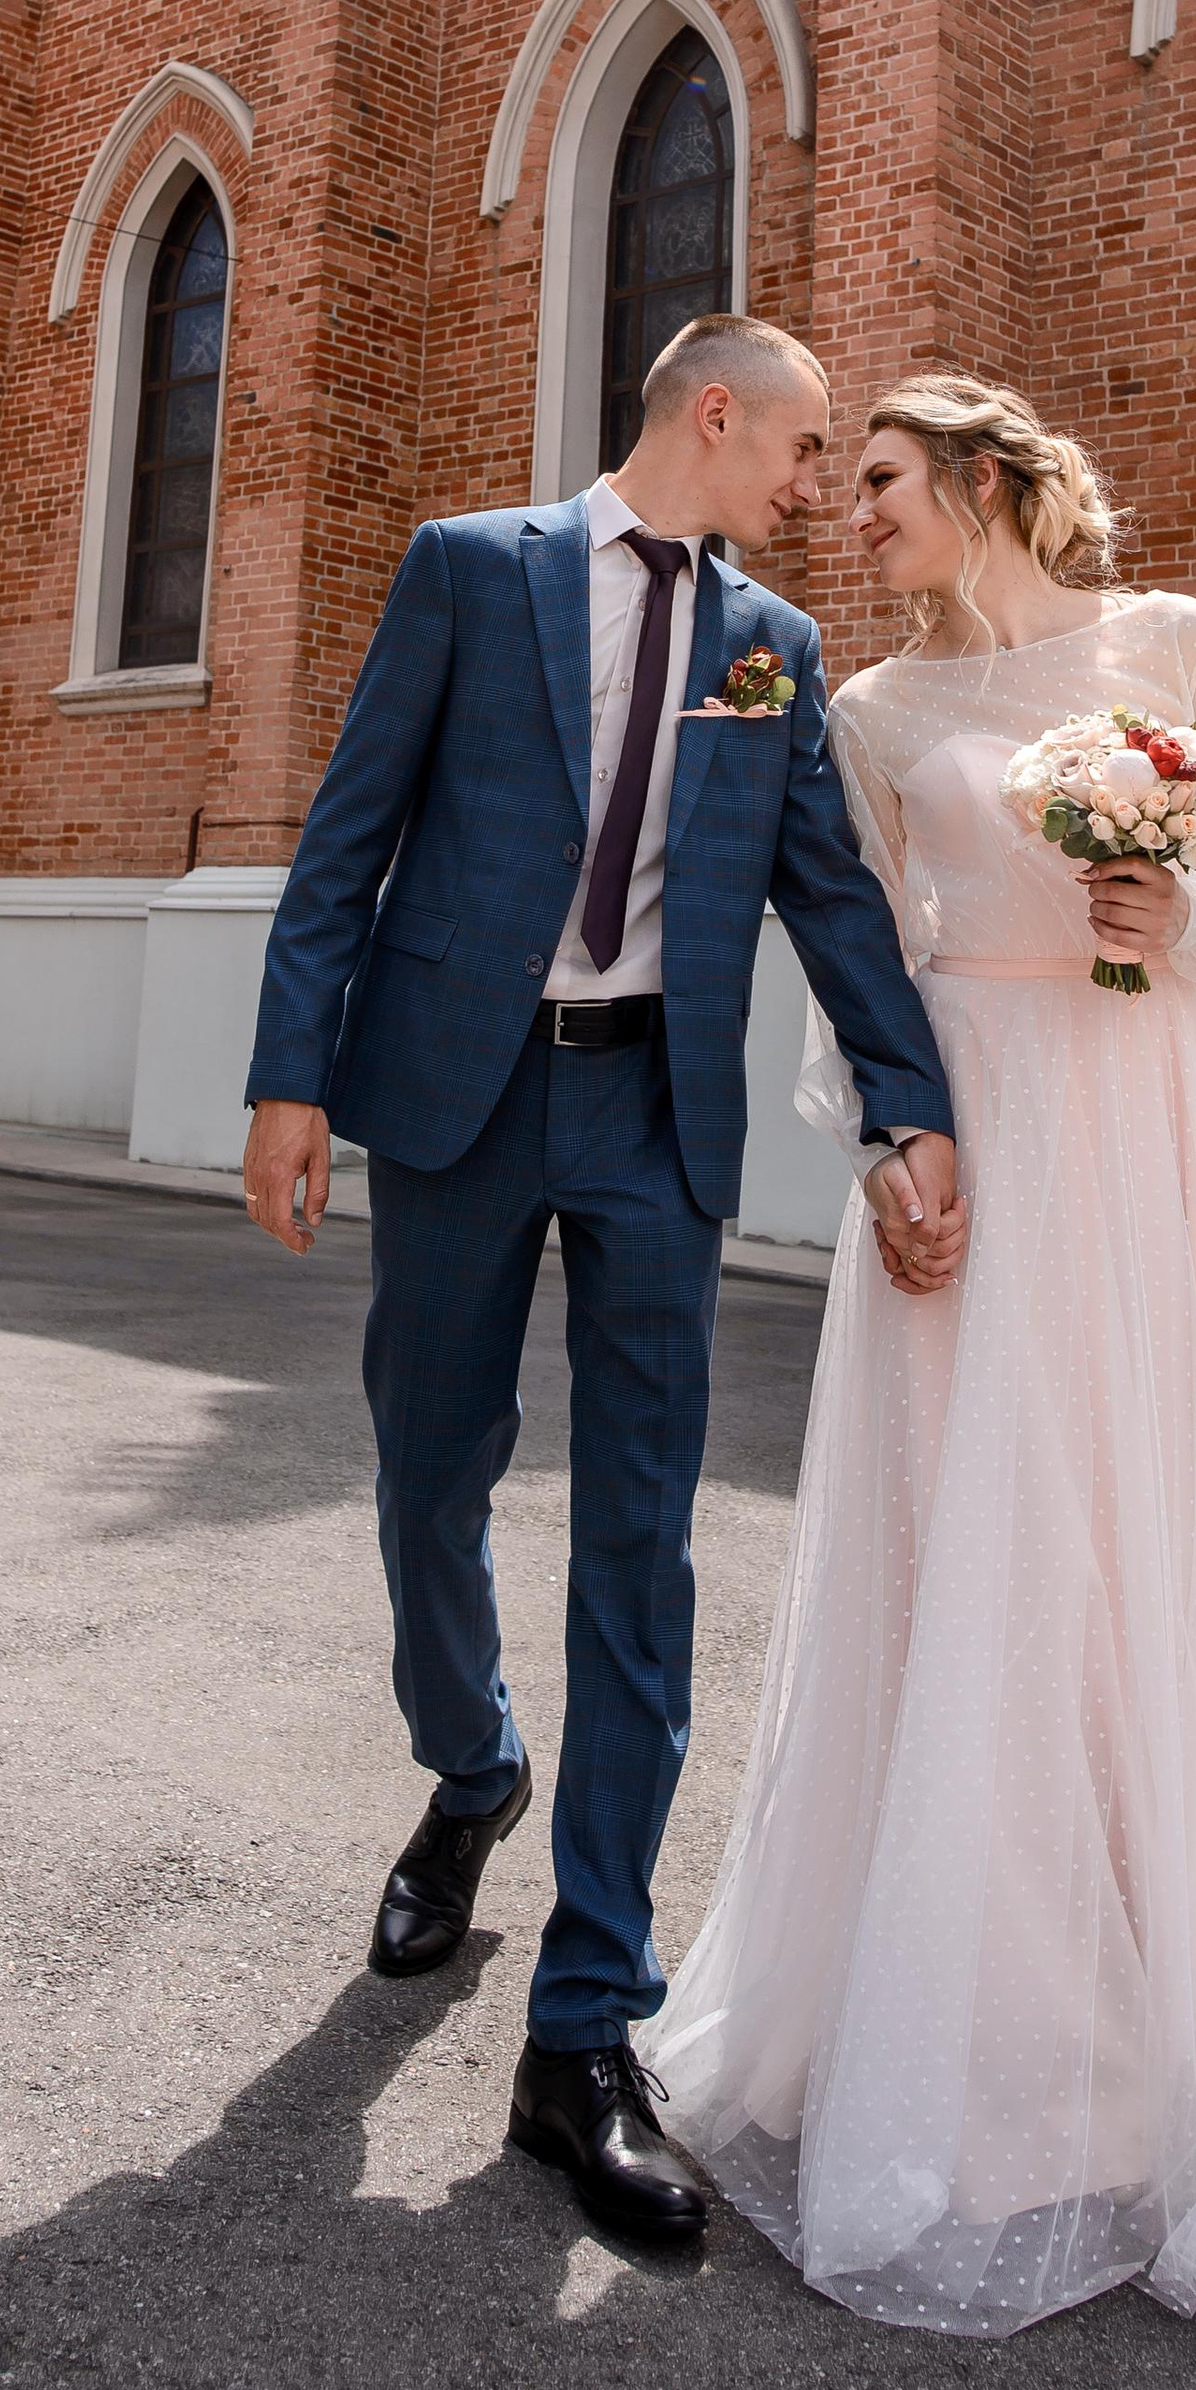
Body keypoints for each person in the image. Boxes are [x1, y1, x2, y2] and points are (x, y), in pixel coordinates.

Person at [648, 373, 1196, 2333]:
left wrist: (1179, 907)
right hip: (972, 1121)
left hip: (1149, 1126)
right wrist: (889, 1137)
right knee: (971, 1549)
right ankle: (977, 2030)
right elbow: (858, 952)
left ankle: (1149, 2017)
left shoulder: (1176, 646)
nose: (847, 518)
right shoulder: (868, 715)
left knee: (1140, 1535)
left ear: (975, 481)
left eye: (873, 484)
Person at [240, 316, 956, 2247]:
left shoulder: (769, 645)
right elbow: (352, 832)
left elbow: (828, 892)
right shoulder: (473, 567)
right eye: (802, 446)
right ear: (712, 416)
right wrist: (289, 1072)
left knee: (640, 1544)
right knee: (425, 1474)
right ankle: (468, 1765)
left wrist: (911, 1105)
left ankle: (584, 2029)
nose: (815, 485)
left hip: (654, 1124)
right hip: (459, 1101)